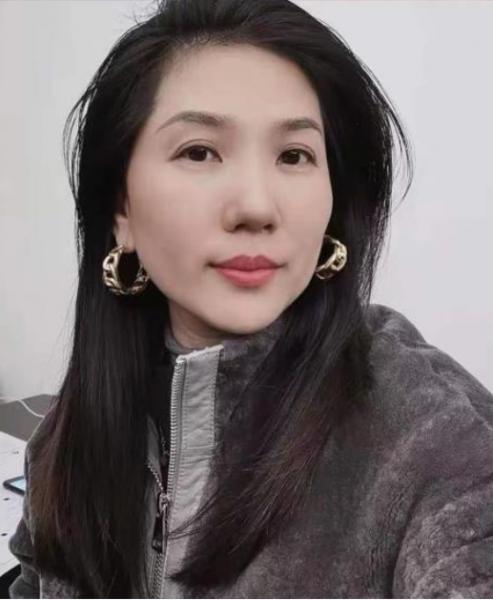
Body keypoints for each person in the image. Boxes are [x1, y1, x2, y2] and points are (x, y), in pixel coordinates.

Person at [8, 0, 493, 597]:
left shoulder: (434, 437)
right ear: (121, 208)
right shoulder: (69, 432)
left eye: (294, 155)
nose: (257, 207)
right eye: (199, 151)